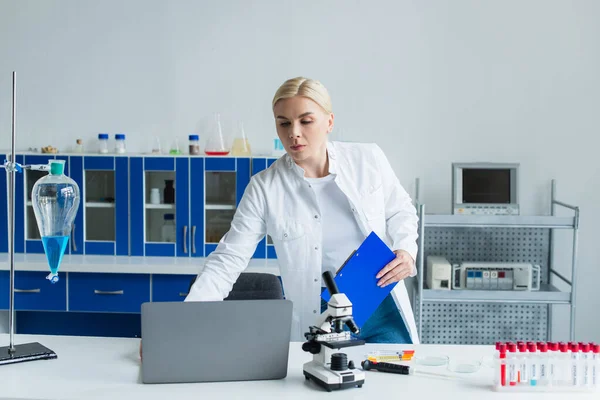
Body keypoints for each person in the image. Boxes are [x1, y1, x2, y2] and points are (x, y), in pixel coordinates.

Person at [186, 76, 420, 344]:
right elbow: (227, 260)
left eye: (306, 121)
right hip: (322, 313)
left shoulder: (368, 159)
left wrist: (406, 250)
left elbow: (401, 209)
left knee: (393, 381)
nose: (293, 132)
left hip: (380, 300)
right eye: (283, 123)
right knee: (326, 381)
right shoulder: (265, 188)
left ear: (329, 122)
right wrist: (186, 322)